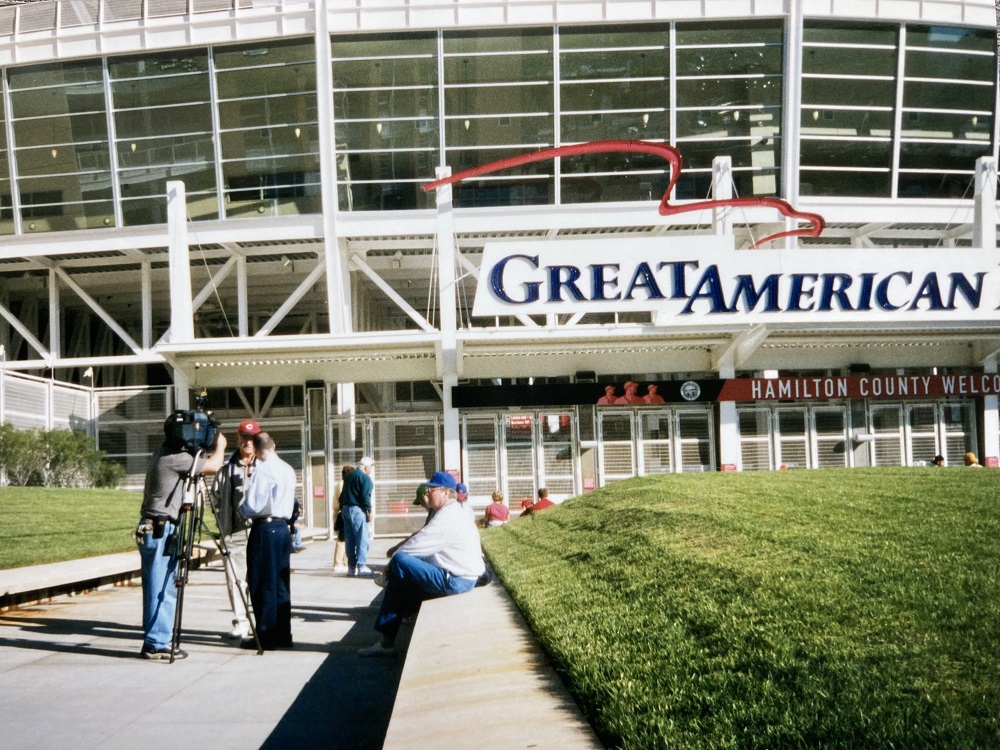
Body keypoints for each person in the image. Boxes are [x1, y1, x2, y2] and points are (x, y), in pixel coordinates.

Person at [359, 471, 485, 657]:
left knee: (400, 562)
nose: (427, 493)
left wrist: (390, 566)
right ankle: (388, 638)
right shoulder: (457, 509)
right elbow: (421, 543)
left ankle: (386, 642)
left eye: (432, 489)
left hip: (456, 580)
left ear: (445, 492)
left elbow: (419, 544)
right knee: (399, 579)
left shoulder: (447, 516)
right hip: (460, 575)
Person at [137, 416, 227, 660]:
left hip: (157, 527)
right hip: (159, 528)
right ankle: (156, 643)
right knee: (161, 588)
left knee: (163, 586)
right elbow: (214, 466)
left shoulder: (165, 452)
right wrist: (220, 444)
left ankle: (158, 639)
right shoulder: (177, 458)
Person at [239, 432, 296, 650]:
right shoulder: (287, 468)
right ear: (274, 445)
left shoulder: (264, 469)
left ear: (256, 449)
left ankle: (266, 633)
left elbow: (254, 503)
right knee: (281, 584)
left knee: (263, 581)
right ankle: (283, 632)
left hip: (266, 527)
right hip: (282, 527)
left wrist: (242, 509)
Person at [210, 418, 259, 641]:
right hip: (235, 533)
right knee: (235, 579)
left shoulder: (264, 465)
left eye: (251, 437)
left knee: (259, 579)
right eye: (244, 437)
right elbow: (215, 496)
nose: (247, 442)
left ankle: (259, 621)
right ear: (238, 438)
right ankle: (241, 621)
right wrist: (221, 515)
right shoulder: (226, 469)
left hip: (259, 532)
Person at [340, 456, 375, 576]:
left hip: (346, 509)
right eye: (370, 467)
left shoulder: (349, 476)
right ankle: (362, 566)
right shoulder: (365, 478)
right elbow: (365, 497)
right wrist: (369, 511)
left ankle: (351, 567)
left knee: (349, 540)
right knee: (361, 539)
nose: (371, 469)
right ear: (366, 467)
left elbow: (342, 495)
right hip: (358, 510)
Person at [332, 465, 353, 573]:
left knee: (345, 538)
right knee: (342, 539)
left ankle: (345, 561)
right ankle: (338, 562)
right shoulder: (344, 484)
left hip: (338, 512)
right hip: (342, 512)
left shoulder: (340, 483)